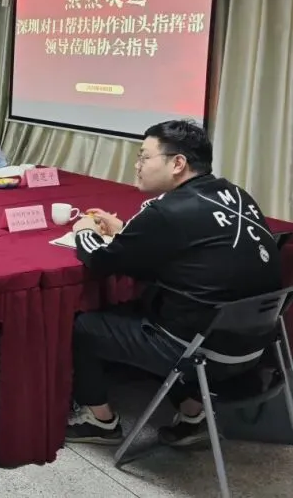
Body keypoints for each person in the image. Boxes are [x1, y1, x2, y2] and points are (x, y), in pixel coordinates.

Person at [66, 120, 281, 447]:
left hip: (199, 350)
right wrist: (126, 230)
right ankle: (192, 416)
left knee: (84, 325)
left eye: (144, 157)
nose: (137, 166)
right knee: (168, 306)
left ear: (178, 163)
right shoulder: (236, 194)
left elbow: (101, 259)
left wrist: (84, 230)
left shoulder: (167, 210)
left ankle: (99, 421)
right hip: (255, 346)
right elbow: (195, 245)